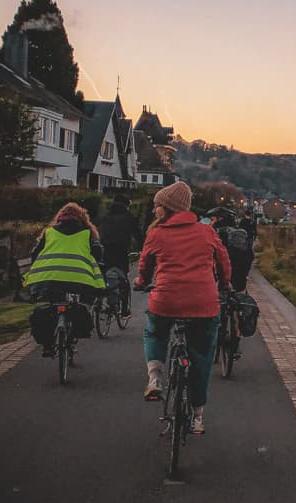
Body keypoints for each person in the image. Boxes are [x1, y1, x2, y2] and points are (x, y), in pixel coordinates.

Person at [135, 181, 231, 435]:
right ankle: (198, 415)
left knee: (155, 332)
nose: (154, 210)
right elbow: (223, 261)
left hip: (165, 301)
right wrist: (226, 283)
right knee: (201, 357)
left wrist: (141, 282)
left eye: (157, 205)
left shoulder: (156, 234)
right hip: (203, 303)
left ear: (168, 208)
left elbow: (144, 265)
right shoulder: (207, 232)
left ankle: (155, 377)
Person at [24, 202, 106, 357]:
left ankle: (48, 344)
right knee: (77, 305)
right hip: (79, 280)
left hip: (48, 279)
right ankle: (72, 337)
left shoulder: (49, 233)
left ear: (59, 217)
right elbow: (97, 254)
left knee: (49, 306)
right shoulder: (87, 234)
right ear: (82, 218)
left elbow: (35, 254)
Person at [98, 195, 141, 315]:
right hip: (121, 252)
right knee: (123, 279)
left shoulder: (105, 217)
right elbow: (137, 234)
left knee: (105, 276)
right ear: (127, 205)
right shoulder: (128, 217)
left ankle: (103, 302)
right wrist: (143, 248)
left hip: (105, 251)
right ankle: (124, 308)